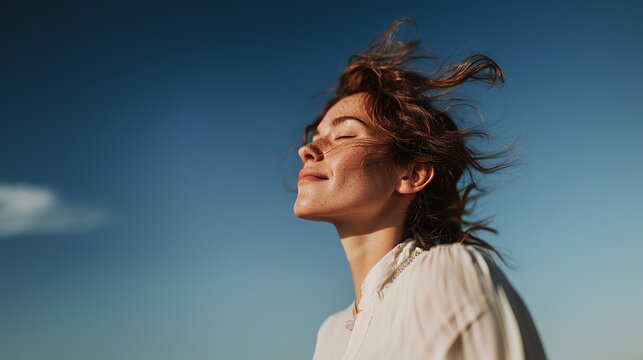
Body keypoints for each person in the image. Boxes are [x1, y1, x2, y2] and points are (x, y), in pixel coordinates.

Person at [293, 17, 548, 360]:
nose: (307, 150)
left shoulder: (448, 275)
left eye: (344, 135)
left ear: (411, 175)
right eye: (315, 137)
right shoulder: (330, 335)